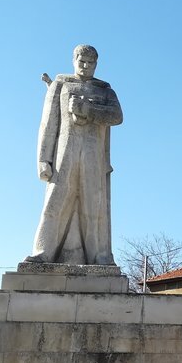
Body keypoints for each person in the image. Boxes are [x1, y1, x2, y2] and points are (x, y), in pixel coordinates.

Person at [25, 44, 123, 265]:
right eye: (82, 62)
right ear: (74, 60)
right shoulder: (61, 84)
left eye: (91, 63)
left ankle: (100, 257)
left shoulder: (105, 89)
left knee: (95, 207)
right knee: (54, 204)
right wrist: (43, 159)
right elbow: (48, 125)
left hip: (93, 156)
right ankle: (43, 252)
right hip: (64, 156)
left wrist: (89, 110)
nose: (86, 66)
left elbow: (117, 116)